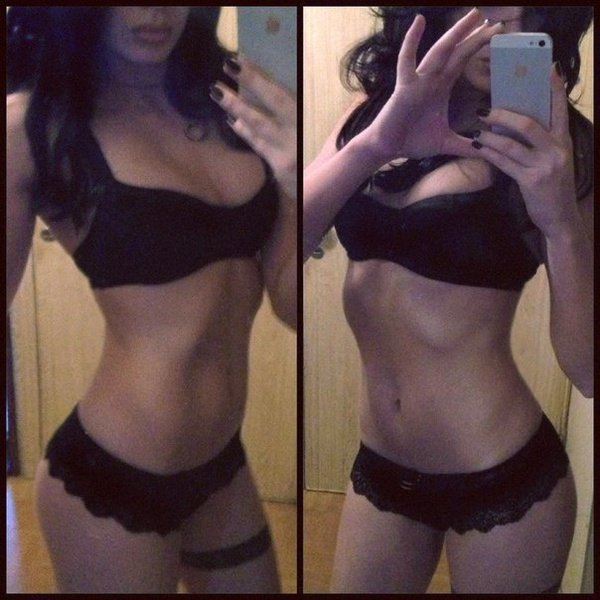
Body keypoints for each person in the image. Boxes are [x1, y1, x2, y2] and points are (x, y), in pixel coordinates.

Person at [7, 6, 296, 594]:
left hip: (221, 465)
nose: (156, 10)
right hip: (111, 480)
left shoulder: (231, 100)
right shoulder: (34, 126)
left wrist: (297, 185)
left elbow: (290, 307)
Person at [304, 6, 592, 594]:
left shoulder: (562, 150)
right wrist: (373, 146)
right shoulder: (376, 110)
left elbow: (588, 371)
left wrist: (561, 223)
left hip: (503, 478)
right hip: (382, 468)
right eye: (486, 11)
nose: (502, 33)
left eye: (526, 16)